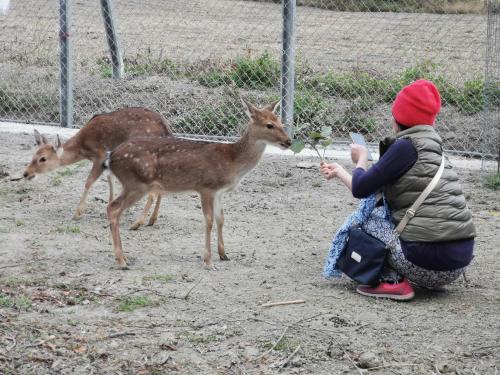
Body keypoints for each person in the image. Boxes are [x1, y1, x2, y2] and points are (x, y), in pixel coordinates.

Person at [320, 79, 475, 301]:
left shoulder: (405, 146)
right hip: (456, 266)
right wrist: (340, 172)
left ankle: (391, 281)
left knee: (364, 219)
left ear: (400, 117)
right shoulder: (435, 147)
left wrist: (361, 158)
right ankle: (424, 278)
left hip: (427, 265)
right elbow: (373, 191)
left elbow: (362, 190)